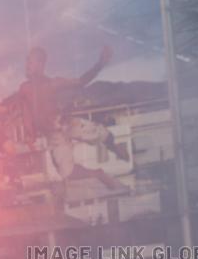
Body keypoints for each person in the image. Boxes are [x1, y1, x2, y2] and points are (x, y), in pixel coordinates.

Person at [17, 46, 128, 191]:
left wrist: (99, 64)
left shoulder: (53, 83)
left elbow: (80, 82)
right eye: (26, 62)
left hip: (67, 123)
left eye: (29, 62)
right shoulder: (24, 89)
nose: (26, 66)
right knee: (67, 173)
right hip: (54, 135)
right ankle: (98, 174)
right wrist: (30, 136)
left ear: (40, 64)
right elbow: (26, 113)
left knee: (100, 134)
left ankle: (115, 147)